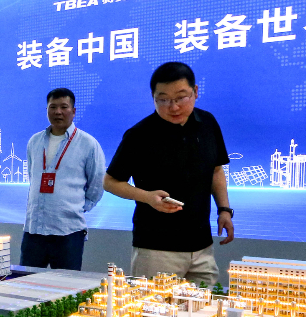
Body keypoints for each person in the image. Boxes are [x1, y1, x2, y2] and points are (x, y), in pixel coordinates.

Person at [104, 62, 233, 286]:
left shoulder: (208, 124)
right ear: (153, 97)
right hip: (156, 248)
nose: (172, 107)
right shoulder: (139, 135)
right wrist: (147, 197)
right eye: (163, 100)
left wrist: (224, 209)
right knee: (152, 316)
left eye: (181, 97)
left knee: (204, 314)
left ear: (195, 92)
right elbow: (110, 182)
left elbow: (216, 169)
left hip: (202, 246)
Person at [12, 88, 106, 271]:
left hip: (68, 231)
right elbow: (34, 178)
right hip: (34, 230)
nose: (58, 112)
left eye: (64, 107)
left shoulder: (88, 144)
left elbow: (97, 184)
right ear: (47, 110)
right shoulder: (35, 141)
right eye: (52, 107)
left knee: (66, 288)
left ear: (74, 111)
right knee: (26, 285)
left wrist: (78, 206)